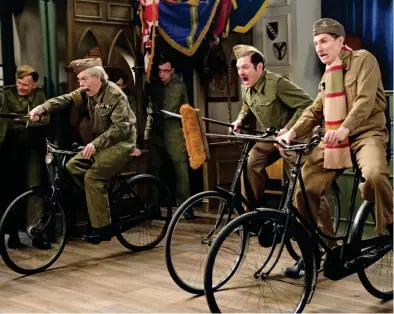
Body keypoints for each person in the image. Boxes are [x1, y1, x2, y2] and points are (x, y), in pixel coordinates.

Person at [278, 18, 393, 278]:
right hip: (335, 139)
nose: (319, 47)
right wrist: (292, 132)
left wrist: (345, 127)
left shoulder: (364, 59)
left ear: (340, 42)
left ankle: (391, 224)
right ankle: (317, 251)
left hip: (366, 133)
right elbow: (315, 109)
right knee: (303, 188)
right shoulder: (329, 72)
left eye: (324, 41)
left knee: (374, 174)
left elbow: (364, 100)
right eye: (316, 43)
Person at [29, 58, 138, 243]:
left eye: (83, 79)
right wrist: (42, 108)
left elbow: (121, 128)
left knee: (92, 177)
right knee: (72, 166)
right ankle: (99, 204)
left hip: (121, 143)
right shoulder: (88, 92)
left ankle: (103, 228)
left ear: (97, 77)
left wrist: (96, 144)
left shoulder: (115, 95)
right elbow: (66, 99)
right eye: (79, 80)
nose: (80, 84)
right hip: (101, 143)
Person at [231, 45, 313, 207]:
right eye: (239, 68)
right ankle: (255, 216)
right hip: (271, 137)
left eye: (245, 67)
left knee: (299, 184)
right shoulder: (245, 87)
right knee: (250, 165)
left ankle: (306, 225)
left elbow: (307, 105)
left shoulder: (277, 83)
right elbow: (247, 107)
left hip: (293, 139)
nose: (241, 72)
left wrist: (288, 129)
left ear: (259, 67)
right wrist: (240, 119)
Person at [0, 65, 50, 249]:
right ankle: (12, 235)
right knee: (10, 192)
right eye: (19, 83)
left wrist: (19, 120)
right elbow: (4, 122)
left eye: (26, 85)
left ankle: (35, 233)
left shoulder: (40, 95)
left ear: (34, 85)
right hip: (9, 149)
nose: (21, 87)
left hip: (32, 150)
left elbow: (45, 118)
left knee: (34, 190)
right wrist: (27, 119)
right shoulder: (6, 93)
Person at [144, 56, 193, 219]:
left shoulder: (180, 87)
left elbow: (186, 109)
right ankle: (153, 206)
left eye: (166, 71)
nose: (162, 74)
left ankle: (185, 206)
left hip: (173, 128)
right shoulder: (151, 84)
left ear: (172, 71)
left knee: (181, 168)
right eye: (159, 71)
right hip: (154, 128)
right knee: (153, 168)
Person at [109, 68, 141, 156]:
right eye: (114, 85)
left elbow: (133, 123)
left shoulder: (129, 100)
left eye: (119, 85)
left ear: (124, 86)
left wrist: (133, 145)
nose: (116, 88)